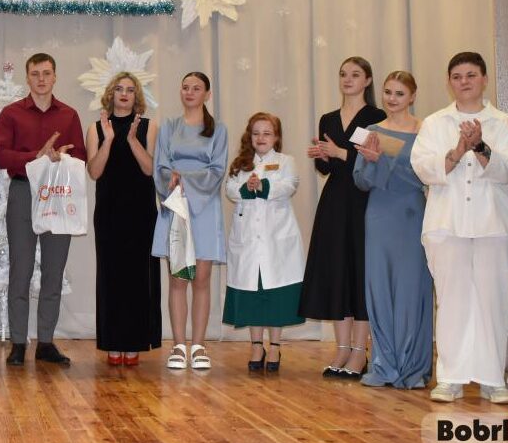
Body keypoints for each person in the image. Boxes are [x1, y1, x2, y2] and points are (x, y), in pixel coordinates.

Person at [411, 52, 508, 404]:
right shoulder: (434, 123)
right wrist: (459, 149)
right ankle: (451, 377)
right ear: (449, 82)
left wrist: (481, 146)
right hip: (446, 223)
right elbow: (424, 169)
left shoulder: (503, 123)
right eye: (457, 76)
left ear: (484, 79)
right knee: (452, 300)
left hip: (493, 223)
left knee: (492, 300)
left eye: (471, 75)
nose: (464, 82)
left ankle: (492, 379)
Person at [0, 53, 86, 366]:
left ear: (55, 76)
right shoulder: (11, 113)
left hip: (58, 194)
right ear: (27, 77)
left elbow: (81, 157)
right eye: (35, 73)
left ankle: (45, 342)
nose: (41, 79)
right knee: (20, 271)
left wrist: (62, 157)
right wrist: (37, 156)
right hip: (24, 192)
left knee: (53, 272)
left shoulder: (69, 115)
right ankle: (18, 343)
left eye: (47, 73)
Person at [298, 56, 385, 378]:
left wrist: (339, 153)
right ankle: (342, 348)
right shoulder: (328, 118)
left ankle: (360, 351)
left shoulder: (376, 117)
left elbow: (375, 162)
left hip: (364, 200)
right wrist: (322, 155)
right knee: (337, 272)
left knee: (360, 272)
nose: (348, 79)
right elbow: (326, 168)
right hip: (334, 202)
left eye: (355, 74)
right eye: (343, 74)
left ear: (367, 80)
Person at [352, 71, 431, 389]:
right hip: (379, 215)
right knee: (380, 286)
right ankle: (385, 363)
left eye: (399, 93)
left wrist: (383, 161)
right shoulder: (369, 131)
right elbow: (360, 180)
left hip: (411, 214)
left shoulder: (426, 130)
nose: (392, 99)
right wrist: (372, 162)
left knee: (411, 287)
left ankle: (413, 367)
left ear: (412, 96)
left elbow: (424, 176)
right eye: (387, 92)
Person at [152, 72, 228, 370]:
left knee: (201, 279)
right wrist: (170, 180)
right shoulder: (169, 126)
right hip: (175, 205)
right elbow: (160, 166)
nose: (190, 92)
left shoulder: (218, 130)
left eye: (196, 88)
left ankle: (198, 345)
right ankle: (178, 345)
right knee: (177, 278)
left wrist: (185, 178)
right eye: (185, 87)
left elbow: (217, 170)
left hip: (204, 207)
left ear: (207, 94)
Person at [84, 72, 160, 366]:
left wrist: (131, 140)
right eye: (119, 89)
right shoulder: (96, 128)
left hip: (141, 212)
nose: (125, 94)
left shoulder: (149, 126)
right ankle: (113, 343)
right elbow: (94, 172)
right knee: (111, 276)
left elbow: (150, 169)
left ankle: (135, 343)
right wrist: (109, 140)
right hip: (109, 212)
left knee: (138, 277)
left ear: (136, 95)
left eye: (130, 89)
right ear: (111, 94)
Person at [222, 112, 304, 372]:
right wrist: (246, 188)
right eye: (256, 133)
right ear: (249, 136)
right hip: (247, 239)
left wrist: (263, 186)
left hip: (276, 238)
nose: (261, 138)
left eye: (267, 133)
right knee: (253, 294)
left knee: (275, 295)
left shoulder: (286, 161)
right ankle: (257, 345)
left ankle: (276, 347)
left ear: (276, 137)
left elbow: (289, 185)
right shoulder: (240, 164)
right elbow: (230, 189)